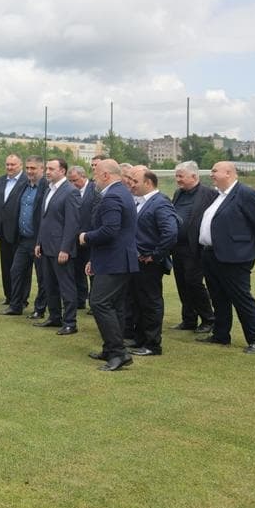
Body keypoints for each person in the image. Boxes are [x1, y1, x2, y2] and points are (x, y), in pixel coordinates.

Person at [197, 162, 255, 353]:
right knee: (218, 297)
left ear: (228, 173)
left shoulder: (246, 194)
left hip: (235, 257)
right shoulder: (219, 195)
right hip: (211, 254)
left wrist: (247, 249)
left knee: (241, 298)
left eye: (214, 171)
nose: (211, 174)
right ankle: (221, 335)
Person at [78, 159, 138, 372]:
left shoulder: (113, 196)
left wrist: (86, 237)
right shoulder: (122, 193)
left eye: (96, 174)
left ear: (105, 175)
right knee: (115, 305)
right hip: (118, 259)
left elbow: (110, 230)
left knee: (99, 303)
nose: (94, 178)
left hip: (115, 260)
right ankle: (111, 348)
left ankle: (118, 353)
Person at [124, 166, 178, 357]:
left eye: (135, 181)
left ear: (148, 183)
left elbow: (171, 232)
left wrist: (155, 255)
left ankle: (153, 344)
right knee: (138, 302)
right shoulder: (142, 202)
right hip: (136, 261)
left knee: (150, 302)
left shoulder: (160, 202)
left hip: (149, 264)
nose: (132, 185)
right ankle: (140, 339)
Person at [34, 158, 81, 335]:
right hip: (46, 247)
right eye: (46, 168)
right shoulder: (48, 190)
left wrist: (65, 249)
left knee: (66, 286)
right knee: (49, 284)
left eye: (51, 168)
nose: (47, 171)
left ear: (62, 171)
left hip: (61, 249)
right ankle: (55, 317)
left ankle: (70, 322)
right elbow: (44, 220)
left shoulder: (70, 192)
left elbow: (72, 223)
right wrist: (39, 242)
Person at [170, 161, 216, 333]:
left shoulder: (208, 194)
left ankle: (208, 319)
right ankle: (188, 319)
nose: (177, 180)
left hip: (195, 248)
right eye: (177, 176)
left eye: (181, 176)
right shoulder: (178, 193)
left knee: (194, 282)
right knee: (182, 283)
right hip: (177, 247)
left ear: (194, 176)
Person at [0, 156, 46, 317]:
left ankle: (40, 309)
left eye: (33, 168)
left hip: (39, 240)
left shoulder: (46, 187)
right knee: (16, 271)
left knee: (42, 277)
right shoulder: (24, 186)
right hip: (23, 240)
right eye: (28, 168)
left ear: (41, 169)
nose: (30, 171)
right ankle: (15, 305)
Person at [0, 154, 26, 305]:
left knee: (21, 268)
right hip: (2, 231)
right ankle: (9, 296)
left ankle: (21, 298)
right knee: (6, 266)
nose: (9, 167)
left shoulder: (25, 182)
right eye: (7, 164)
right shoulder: (0, 181)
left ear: (20, 165)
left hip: (19, 232)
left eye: (13, 165)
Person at [67, 165, 96, 310]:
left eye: (75, 180)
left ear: (83, 176)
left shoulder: (95, 190)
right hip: (75, 239)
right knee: (77, 270)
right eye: (70, 181)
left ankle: (94, 302)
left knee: (92, 271)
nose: (72, 184)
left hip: (91, 238)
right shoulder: (70, 192)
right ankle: (80, 300)